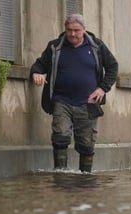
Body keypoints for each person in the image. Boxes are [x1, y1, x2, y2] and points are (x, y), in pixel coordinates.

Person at [30, 14, 118, 173]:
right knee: (60, 135)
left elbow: (112, 67)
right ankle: (60, 173)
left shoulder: (97, 47)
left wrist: (102, 88)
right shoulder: (54, 47)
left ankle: (85, 176)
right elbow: (40, 64)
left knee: (86, 144)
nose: (72, 34)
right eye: (69, 30)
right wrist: (36, 73)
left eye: (76, 30)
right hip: (61, 100)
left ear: (84, 30)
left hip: (88, 102)